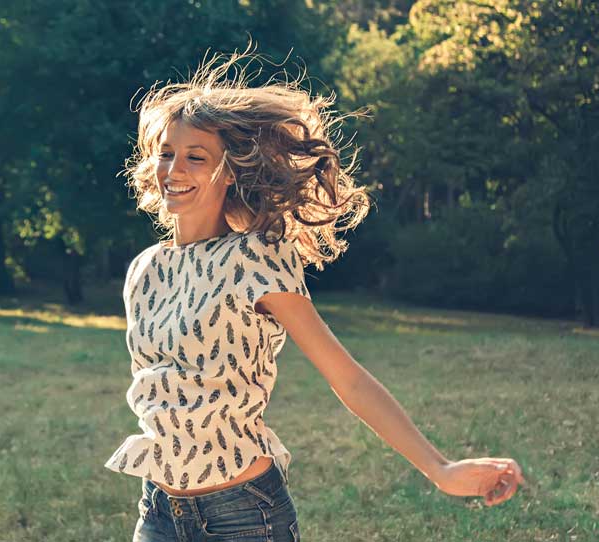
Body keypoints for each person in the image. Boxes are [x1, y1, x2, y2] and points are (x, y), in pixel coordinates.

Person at [104, 50, 525, 542]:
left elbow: (347, 378)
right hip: (158, 510)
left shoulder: (255, 258)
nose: (173, 169)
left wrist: (441, 468)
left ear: (231, 171)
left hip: (240, 515)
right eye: (166, 152)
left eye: (196, 156)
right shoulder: (145, 270)